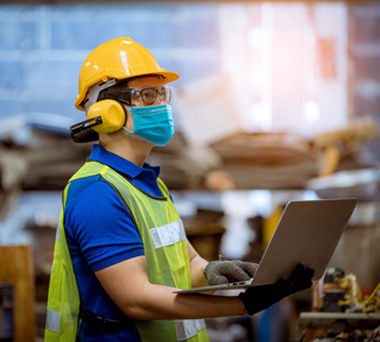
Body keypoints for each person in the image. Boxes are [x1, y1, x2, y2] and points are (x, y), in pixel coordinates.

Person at [44, 37, 314, 342]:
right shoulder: (97, 192)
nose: (163, 106)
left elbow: (185, 263)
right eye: (147, 96)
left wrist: (217, 271)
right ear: (107, 112)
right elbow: (136, 299)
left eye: (163, 94)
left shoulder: (149, 183)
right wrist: (242, 304)